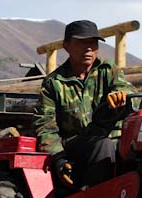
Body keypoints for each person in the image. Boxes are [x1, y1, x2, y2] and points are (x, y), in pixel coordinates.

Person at [34, 20, 136, 188]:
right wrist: (58, 158)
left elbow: (126, 89)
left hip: (113, 139)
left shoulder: (109, 70)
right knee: (103, 145)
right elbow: (45, 126)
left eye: (93, 43)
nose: (88, 48)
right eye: (81, 43)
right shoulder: (54, 83)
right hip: (76, 145)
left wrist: (121, 96)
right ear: (66, 46)